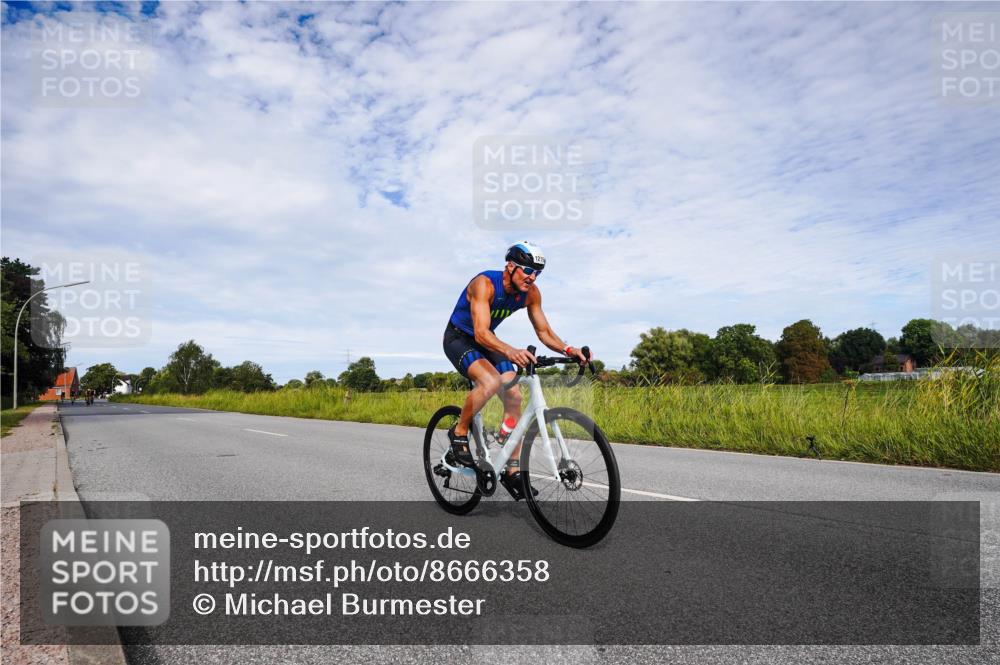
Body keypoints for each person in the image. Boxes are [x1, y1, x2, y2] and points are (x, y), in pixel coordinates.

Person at [443, 242, 590, 498]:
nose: (531, 277)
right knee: (489, 383)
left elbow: (543, 331)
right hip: (460, 338)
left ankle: (511, 470)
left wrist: (568, 349)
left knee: (515, 396)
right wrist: (511, 351)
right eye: (526, 270)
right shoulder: (484, 284)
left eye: (537, 273)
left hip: (489, 340)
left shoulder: (531, 293)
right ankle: (459, 432)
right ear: (510, 266)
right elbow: (479, 332)